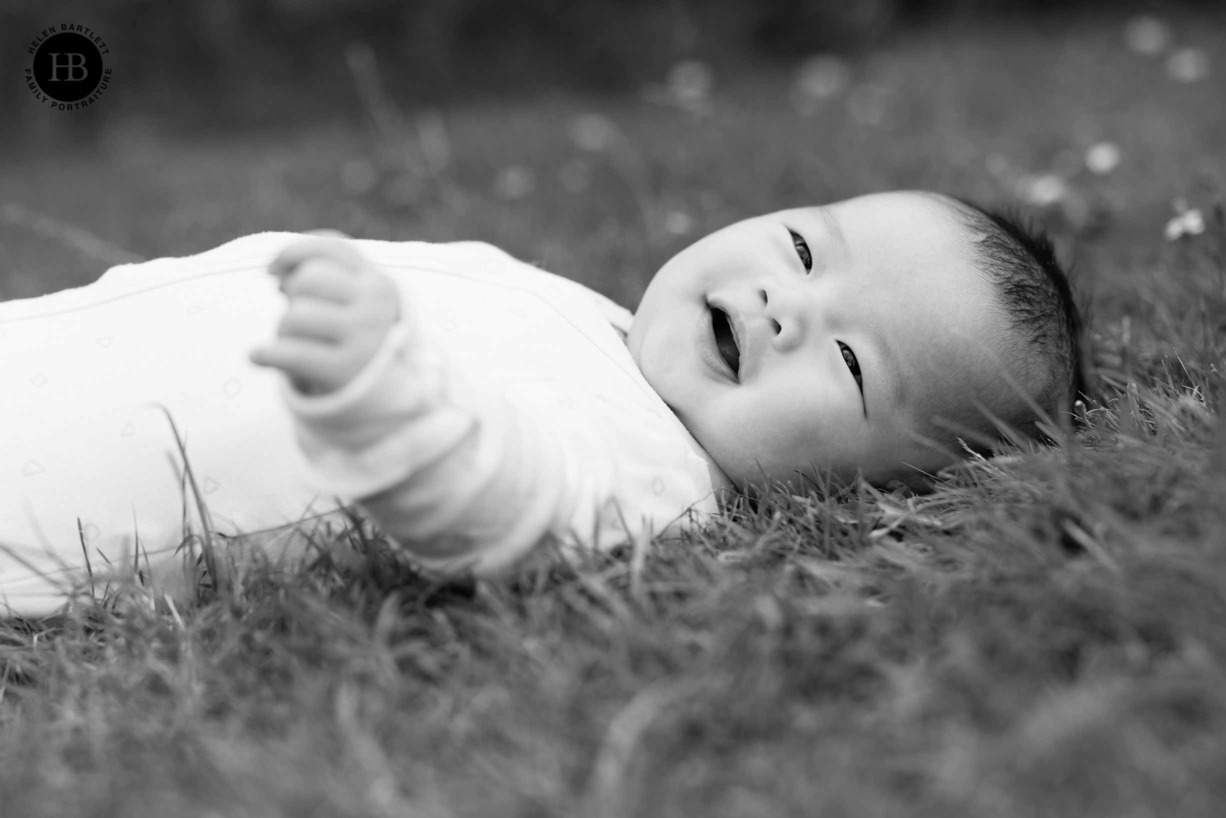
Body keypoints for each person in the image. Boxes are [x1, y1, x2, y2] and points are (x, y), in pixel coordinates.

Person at [0, 191, 1086, 617]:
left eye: (850, 364)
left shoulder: (648, 479)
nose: (781, 305)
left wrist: (389, 405)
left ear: (867, 481)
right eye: (805, 247)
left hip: (52, 489)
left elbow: (503, 495)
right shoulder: (580, 309)